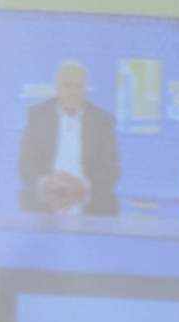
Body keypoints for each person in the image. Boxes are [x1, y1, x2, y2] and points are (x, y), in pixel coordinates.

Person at [20, 59, 125, 215]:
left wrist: (84, 184)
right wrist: (46, 182)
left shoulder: (102, 120)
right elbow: (25, 164)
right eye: (67, 85)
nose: (73, 91)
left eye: (78, 86)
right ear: (57, 87)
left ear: (86, 89)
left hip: (88, 203)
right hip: (45, 203)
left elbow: (112, 169)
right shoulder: (38, 115)